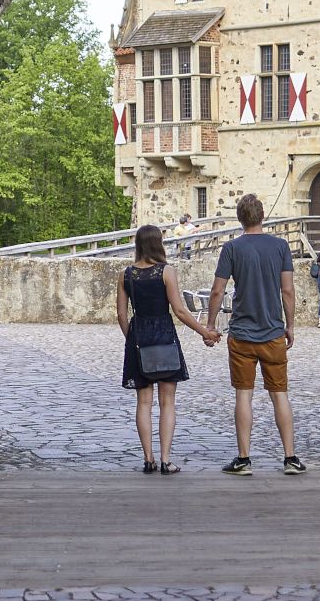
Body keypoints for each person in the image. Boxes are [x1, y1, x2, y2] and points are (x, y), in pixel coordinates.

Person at [203, 193, 305, 476]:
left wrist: (210, 324)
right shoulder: (281, 246)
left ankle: (244, 459)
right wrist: (290, 324)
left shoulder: (232, 249)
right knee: (280, 395)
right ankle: (290, 457)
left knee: (243, 396)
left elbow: (217, 290)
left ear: (240, 219)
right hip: (273, 332)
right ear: (263, 217)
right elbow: (287, 290)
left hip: (242, 334)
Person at [118, 224, 220, 475]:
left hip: (139, 337)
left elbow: (121, 314)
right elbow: (180, 310)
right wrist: (204, 332)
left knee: (143, 403)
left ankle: (148, 459)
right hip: (163, 335)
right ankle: (165, 459)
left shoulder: (126, 275)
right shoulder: (166, 271)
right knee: (167, 402)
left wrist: (132, 339)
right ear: (158, 243)